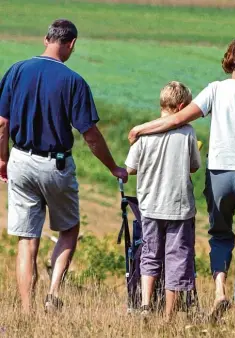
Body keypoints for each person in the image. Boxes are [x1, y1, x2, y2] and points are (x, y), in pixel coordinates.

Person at [128, 38, 235, 321]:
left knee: (220, 234)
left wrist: (141, 128)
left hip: (219, 173)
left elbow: (176, 119)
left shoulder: (215, 90)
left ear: (228, 61)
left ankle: (220, 289)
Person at [0, 19, 128, 314]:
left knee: (27, 238)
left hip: (20, 158)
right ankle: (54, 291)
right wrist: (113, 167)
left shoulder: (16, 71)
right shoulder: (74, 81)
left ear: (46, 39)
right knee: (69, 229)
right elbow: (91, 135)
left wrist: (4, 158)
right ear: (71, 44)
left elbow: (2, 124)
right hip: (55, 164)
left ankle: (26, 310)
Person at [125, 81, 201, 321]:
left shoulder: (144, 135)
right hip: (179, 208)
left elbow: (130, 168)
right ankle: (169, 315)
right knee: (177, 258)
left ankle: (146, 304)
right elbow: (194, 166)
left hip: (149, 205)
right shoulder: (188, 132)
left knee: (149, 253)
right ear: (181, 106)